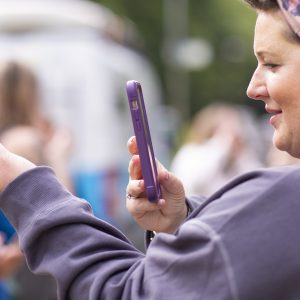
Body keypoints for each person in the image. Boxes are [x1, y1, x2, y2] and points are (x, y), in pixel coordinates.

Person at [0, 0, 300, 299]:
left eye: (272, 64)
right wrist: (183, 220)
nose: (252, 87)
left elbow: (126, 292)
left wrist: (28, 188)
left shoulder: (289, 201)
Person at [170, 103, 263, 196]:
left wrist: (242, 155)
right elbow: (195, 184)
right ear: (213, 130)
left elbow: (258, 183)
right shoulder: (191, 152)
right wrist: (221, 145)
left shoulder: (239, 160)